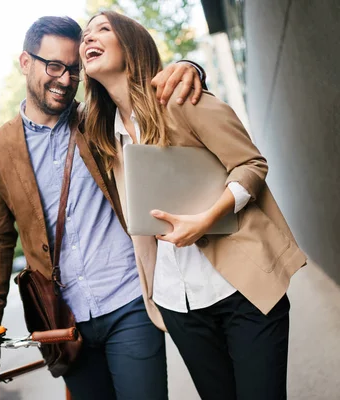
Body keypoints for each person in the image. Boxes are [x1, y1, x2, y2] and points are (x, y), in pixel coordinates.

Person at [0, 15, 206, 400]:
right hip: (63, 322)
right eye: (53, 66)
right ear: (26, 63)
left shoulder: (99, 119)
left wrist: (189, 67)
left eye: (73, 70)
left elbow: (143, 92)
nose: (64, 79)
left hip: (129, 301)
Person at [80, 10, 307, 400]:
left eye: (102, 29)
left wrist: (209, 218)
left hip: (241, 291)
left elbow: (250, 164)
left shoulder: (180, 99)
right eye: (84, 36)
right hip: (178, 304)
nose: (88, 39)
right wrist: (154, 296)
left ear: (132, 44)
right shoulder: (106, 137)